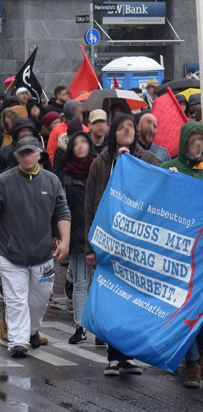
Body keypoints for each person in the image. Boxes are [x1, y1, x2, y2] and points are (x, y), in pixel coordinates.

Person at [85, 112, 159, 373]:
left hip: (136, 243)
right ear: (113, 134)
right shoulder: (101, 163)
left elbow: (158, 190)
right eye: (121, 127)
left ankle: (128, 354)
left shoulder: (147, 160)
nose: (126, 130)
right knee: (112, 299)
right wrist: (89, 247)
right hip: (108, 243)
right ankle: (114, 356)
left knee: (132, 299)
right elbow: (90, 206)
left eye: (130, 126)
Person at [162, 121, 203, 388]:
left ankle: (202, 351)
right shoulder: (170, 168)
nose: (199, 144)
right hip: (181, 252)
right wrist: (168, 182)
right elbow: (159, 203)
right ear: (185, 142)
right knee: (186, 306)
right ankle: (192, 363)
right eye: (194, 140)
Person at [0, 136, 71, 357]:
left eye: (30, 152)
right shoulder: (4, 181)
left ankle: (30, 330)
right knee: (16, 300)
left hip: (43, 255)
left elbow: (62, 212)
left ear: (39, 154)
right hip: (11, 254)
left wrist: (65, 241)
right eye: (22, 153)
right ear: (17, 156)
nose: (27, 156)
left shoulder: (51, 181)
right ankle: (17, 342)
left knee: (39, 300)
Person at [56, 121, 95, 344]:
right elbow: (60, 208)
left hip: (98, 235)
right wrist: (62, 236)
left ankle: (99, 329)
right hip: (77, 235)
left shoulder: (98, 170)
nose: (80, 146)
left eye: (84, 142)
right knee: (80, 281)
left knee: (98, 283)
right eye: (76, 142)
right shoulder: (64, 174)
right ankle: (80, 327)